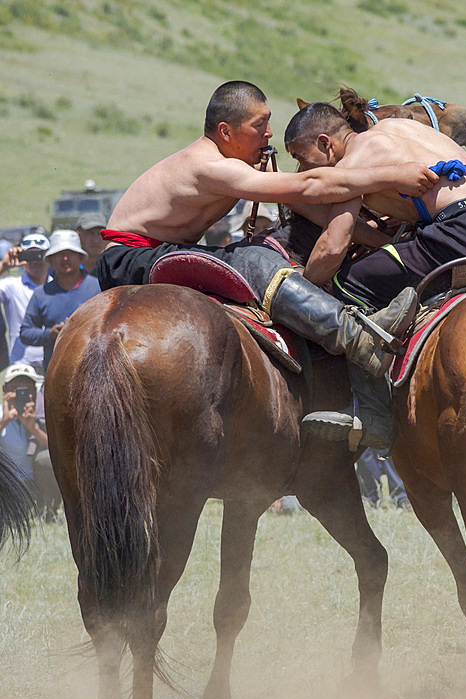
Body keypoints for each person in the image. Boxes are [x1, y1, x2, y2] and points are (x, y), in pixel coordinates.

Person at [97, 81, 439, 449]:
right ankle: (356, 338)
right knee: (253, 257)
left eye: (269, 121)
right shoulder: (210, 166)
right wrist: (392, 175)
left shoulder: (232, 165)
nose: (270, 133)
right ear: (226, 131)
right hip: (129, 260)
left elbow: (315, 207)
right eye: (259, 124)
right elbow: (309, 186)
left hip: (155, 252)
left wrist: (388, 242)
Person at [282, 102, 466, 444]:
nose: (301, 168)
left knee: (349, 282)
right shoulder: (406, 130)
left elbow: (333, 248)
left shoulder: (356, 157)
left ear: (325, 143)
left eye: (300, 157)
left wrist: (308, 290)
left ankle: (370, 412)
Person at [20, 230, 101, 372]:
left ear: (80, 257)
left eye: (70, 253)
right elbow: (26, 332)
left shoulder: (97, 288)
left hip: (93, 372)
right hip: (56, 375)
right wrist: (49, 334)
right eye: (59, 254)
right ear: (50, 260)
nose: (65, 259)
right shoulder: (42, 293)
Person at [0, 362, 59, 516]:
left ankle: (49, 508)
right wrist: (4, 421)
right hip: (7, 483)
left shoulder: (42, 412)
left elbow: (55, 450)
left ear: (34, 390)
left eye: (26, 390)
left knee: (46, 459)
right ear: (4, 390)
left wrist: (33, 427)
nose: (21, 395)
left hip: (34, 482)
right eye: (16, 389)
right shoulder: (1, 414)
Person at [0, 234, 50, 371]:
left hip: (54, 365)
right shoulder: (12, 286)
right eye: (29, 256)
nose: (34, 262)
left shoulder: (58, 286)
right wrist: (3, 266)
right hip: (21, 366)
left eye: (39, 255)